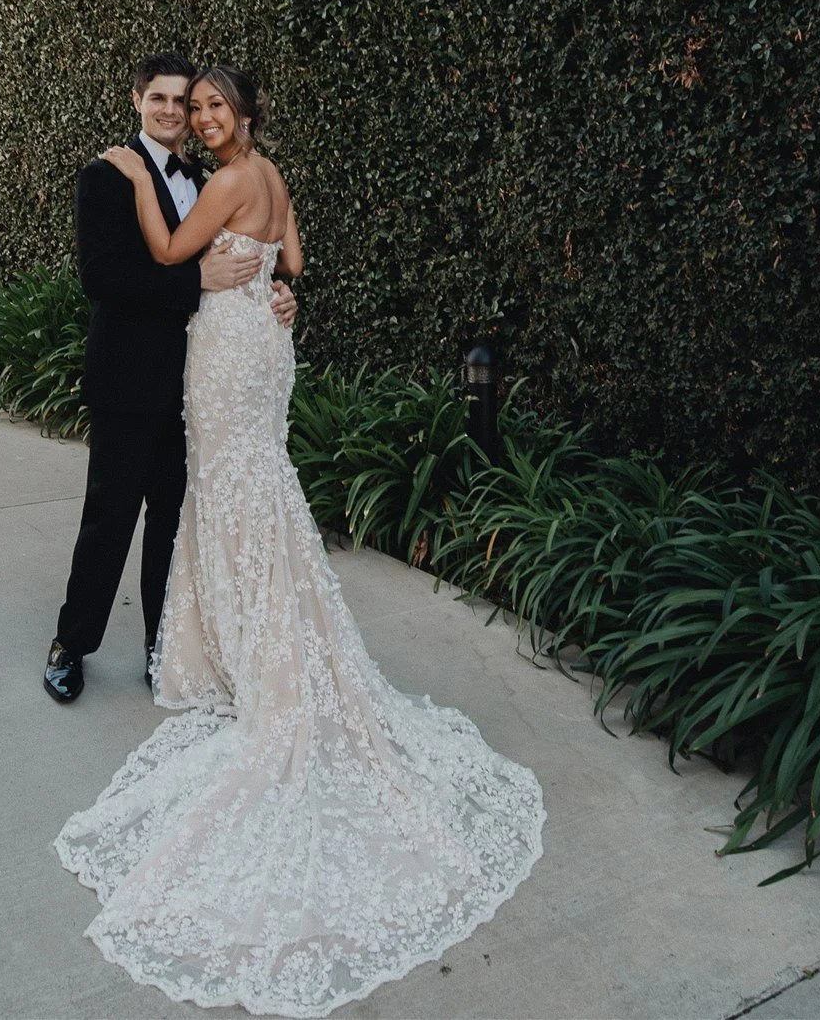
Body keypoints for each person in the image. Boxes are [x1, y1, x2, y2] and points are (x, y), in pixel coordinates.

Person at [53, 66, 543, 1017]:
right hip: (232, 354)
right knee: (198, 500)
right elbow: (278, 264)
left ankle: (205, 651)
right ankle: (88, 643)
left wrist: (234, 279)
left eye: (203, 106)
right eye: (177, 106)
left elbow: (172, 248)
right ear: (148, 110)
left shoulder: (219, 179)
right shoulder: (231, 176)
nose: (189, 117)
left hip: (229, 357)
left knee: (227, 496)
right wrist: (272, 289)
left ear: (238, 117)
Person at [43, 53, 297, 704]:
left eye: (182, 102)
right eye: (157, 98)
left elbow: (264, 252)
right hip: (130, 379)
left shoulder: (211, 174)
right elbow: (101, 278)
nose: (171, 111)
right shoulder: (105, 176)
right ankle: (72, 643)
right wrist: (195, 281)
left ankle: (166, 651)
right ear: (136, 101)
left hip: (204, 385)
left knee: (173, 525)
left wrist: (281, 291)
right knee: (110, 518)